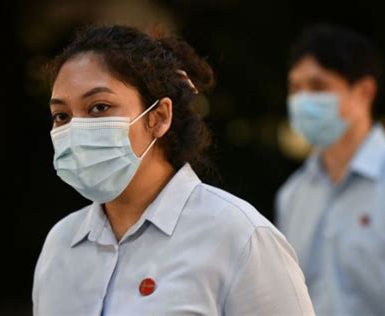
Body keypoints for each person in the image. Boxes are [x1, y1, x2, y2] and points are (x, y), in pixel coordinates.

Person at [32, 24, 315, 315]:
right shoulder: (60, 245)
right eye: (61, 115)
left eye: (99, 107)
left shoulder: (238, 237)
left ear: (158, 117)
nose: (76, 129)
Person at [275, 24, 385, 316]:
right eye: (295, 88)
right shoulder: (293, 194)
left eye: (319, 86)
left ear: (364, 92)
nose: (302, 100)